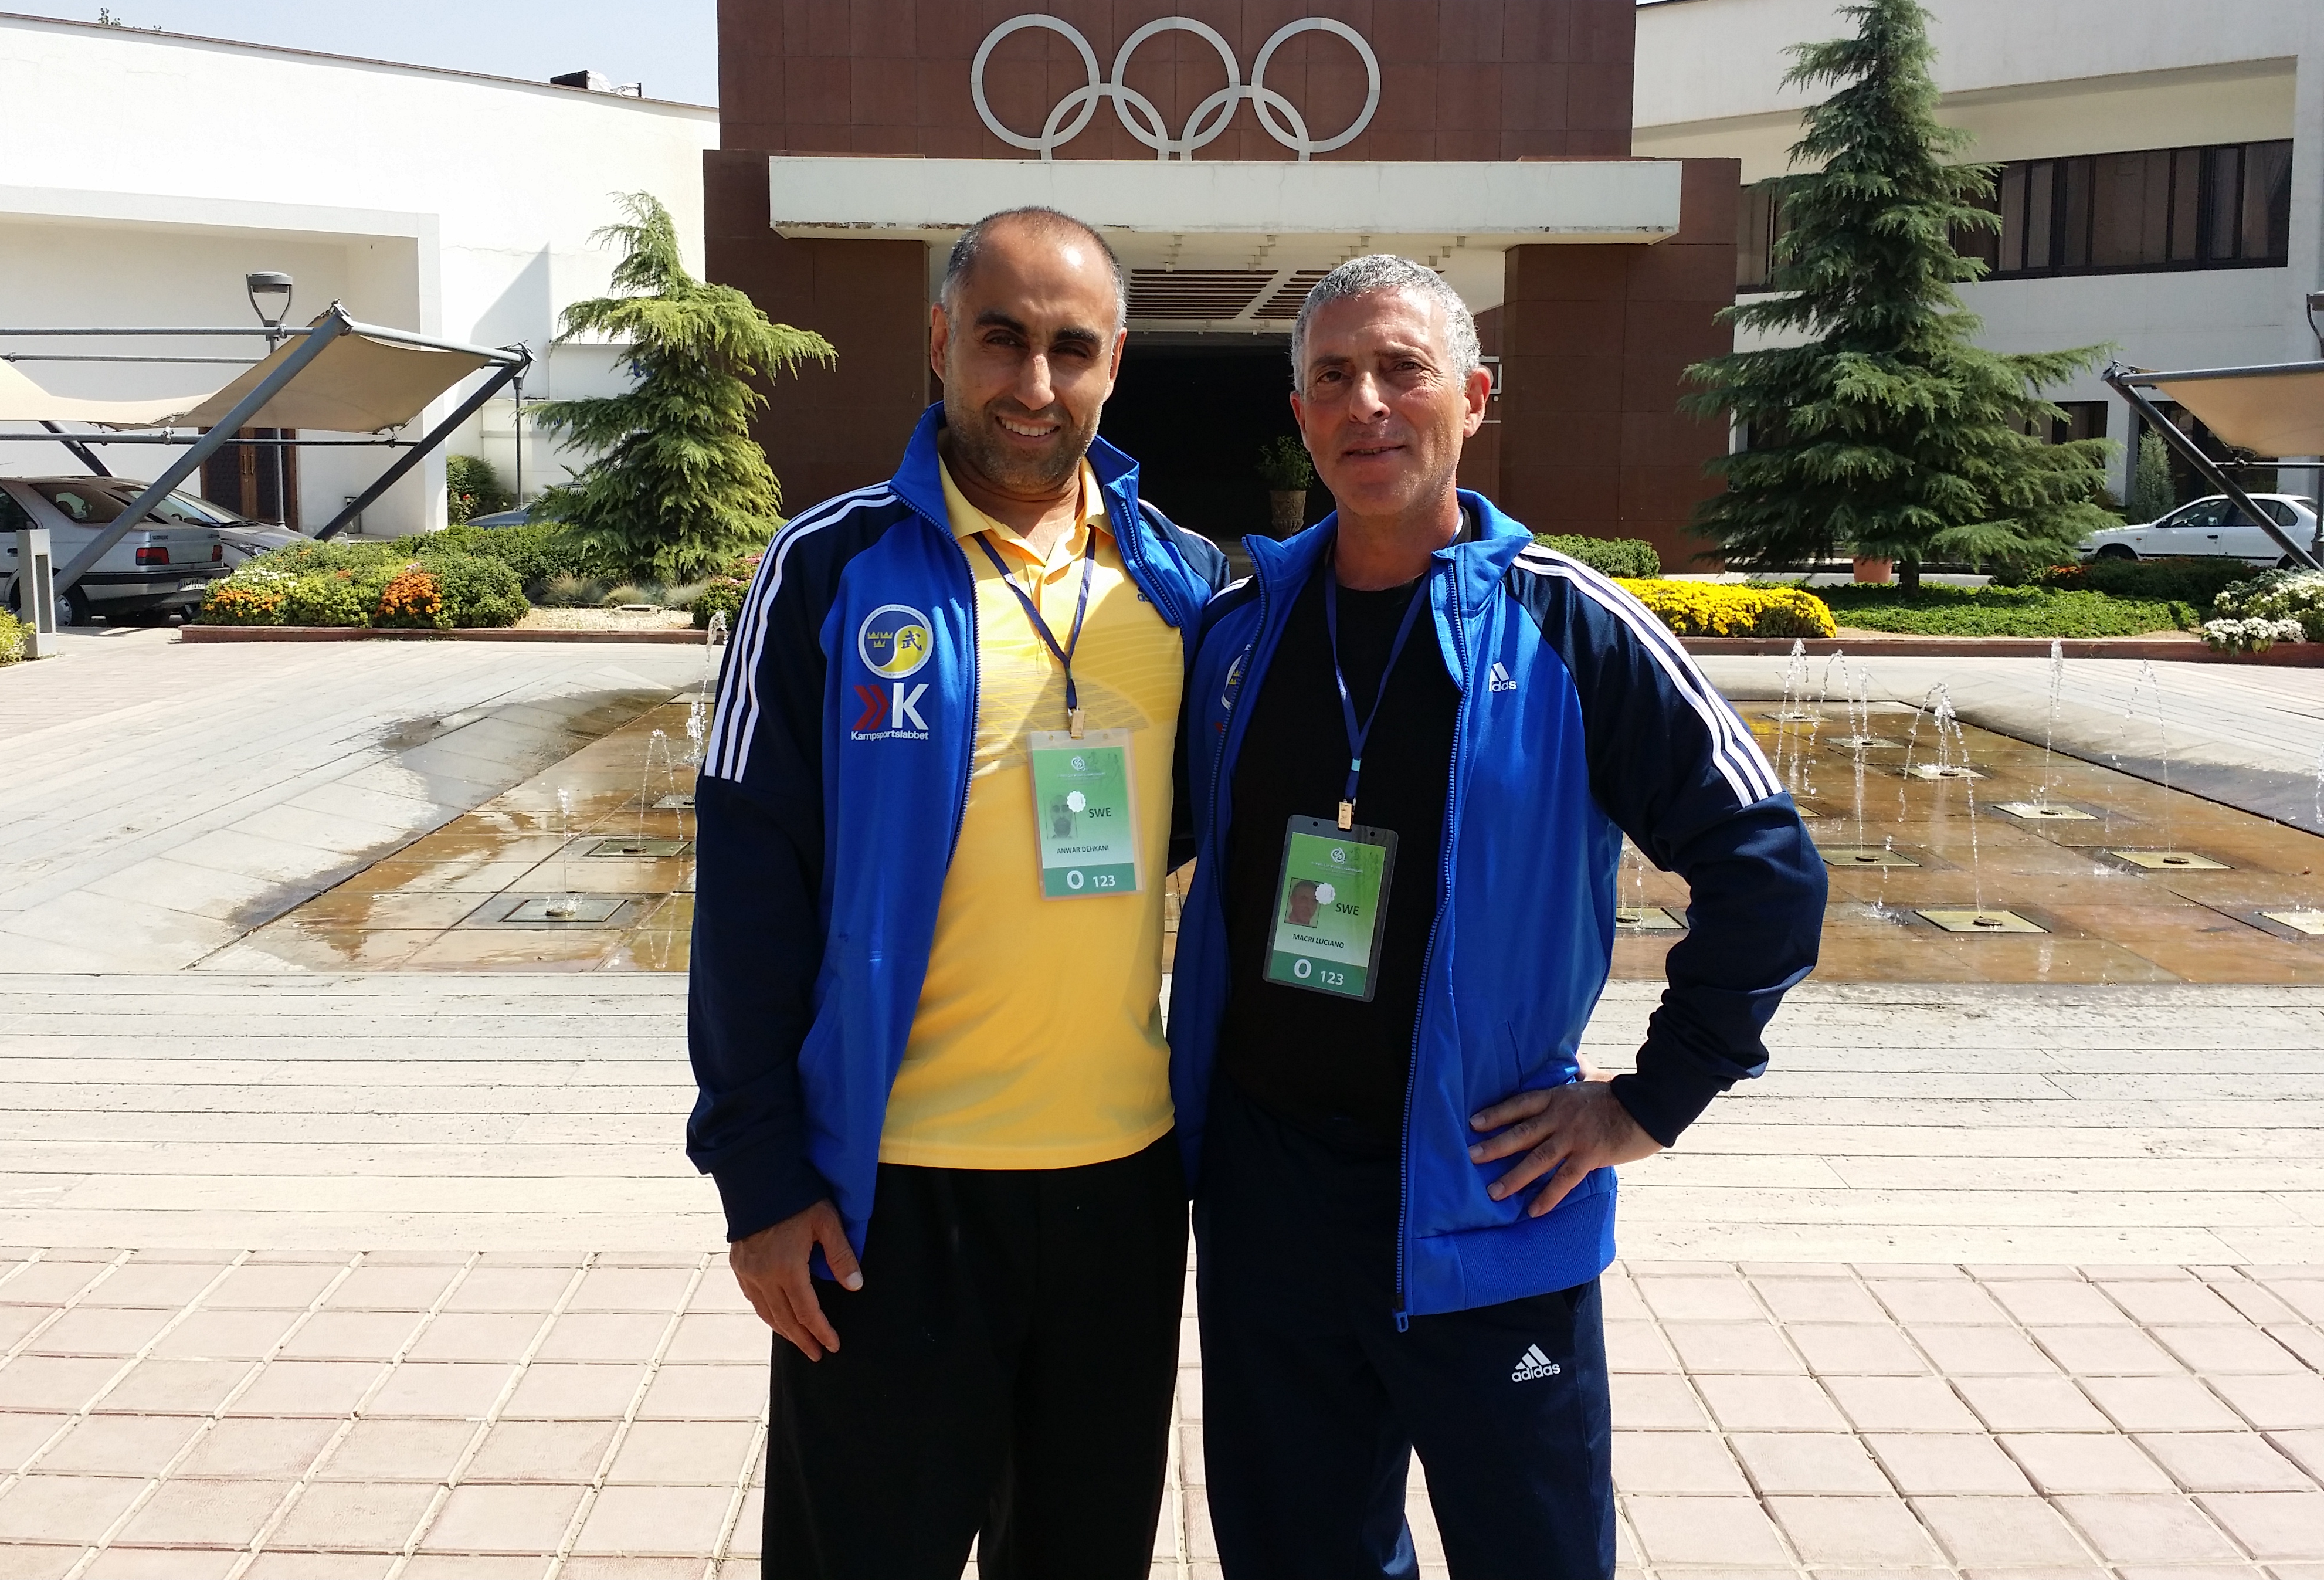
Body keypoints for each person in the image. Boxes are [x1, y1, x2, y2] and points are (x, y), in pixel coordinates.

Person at [1169, 255, 1828, 1580]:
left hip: (1488, 1197)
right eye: (1333, 377)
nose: (1369, 403)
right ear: (1298, 414)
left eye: (1402, 370)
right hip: (1269, 1209)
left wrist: (1646, 1106)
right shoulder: (1238, 630)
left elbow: (1769, 869)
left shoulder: (1572, 627)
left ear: (1472, 397)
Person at [690, 206, 1227, 1580]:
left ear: (1116, 366)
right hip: (888, 1201)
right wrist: (759, 1180)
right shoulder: (829, 569)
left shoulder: (1183, 583)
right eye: (1001, 340)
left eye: (1071, 349)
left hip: (1119, 1186)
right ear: (939, 343)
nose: (1034, 387)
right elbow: (749, 887)